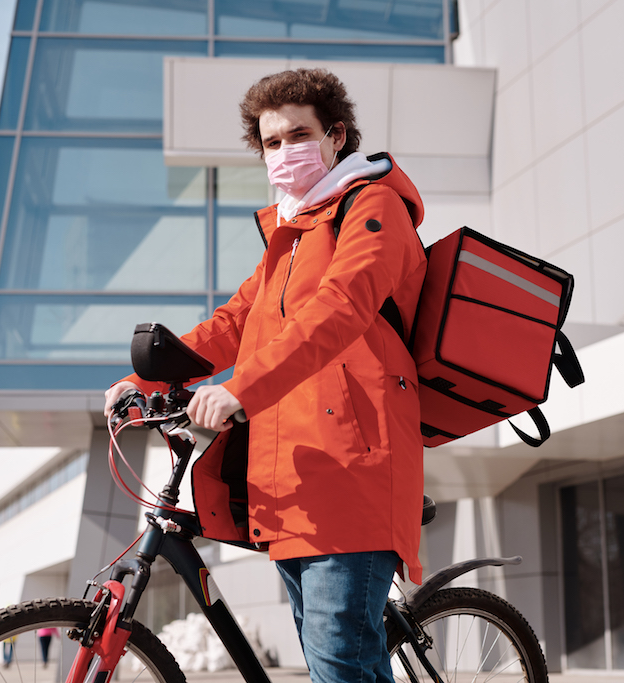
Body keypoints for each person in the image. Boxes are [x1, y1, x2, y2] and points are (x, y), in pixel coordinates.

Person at [105, 68, 426, 683]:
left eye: (296, 135)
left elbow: (341, 308)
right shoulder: (292, 232)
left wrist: (238, 389)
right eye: (270, 142)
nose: (282, 152)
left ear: (336, 135)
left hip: (353, 469)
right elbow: (233, 323)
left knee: (341, 669)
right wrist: (143, 381)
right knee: (333, 663)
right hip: (294, 477)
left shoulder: (373, 206)